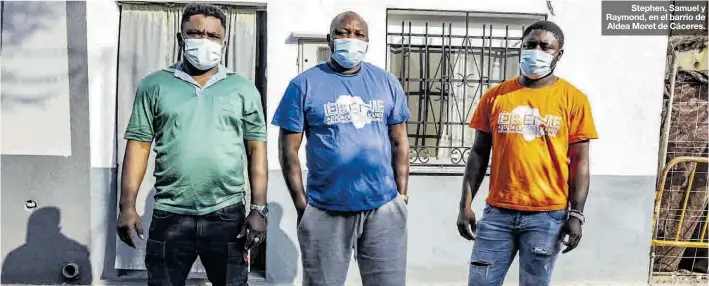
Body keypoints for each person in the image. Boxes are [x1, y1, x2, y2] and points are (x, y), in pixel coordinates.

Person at [116, 3, 269, 286]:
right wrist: (127, 205)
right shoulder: (155, 85)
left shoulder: (243, 89)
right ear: (180, 38)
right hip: (170, 214)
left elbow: (256, 149)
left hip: (227, 215)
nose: (204, 41)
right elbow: (138, 145)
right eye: (196, 33)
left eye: (213, 36)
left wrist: (259, 209)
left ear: (224, 42)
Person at [272, 11, 411, 286]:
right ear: (330, 39)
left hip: (383, 208)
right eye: (343, 32)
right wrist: (304, 207)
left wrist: (402, 197)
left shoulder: (387, 83)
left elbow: (399, 140)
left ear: (368, 41)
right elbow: (289, 150)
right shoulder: (303, 85)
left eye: (359, 34)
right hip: (326, 210)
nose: (351, 39)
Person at [456, 20, 598, 286]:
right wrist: (464, 205)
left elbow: (580, 162)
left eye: (546, 46)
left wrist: (576, 214)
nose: (537, 51)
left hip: (547, 216)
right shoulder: (495, 96)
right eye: (530, 44)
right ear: (521, 47)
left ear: (559, 54)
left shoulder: (573, 99)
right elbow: (477, 154)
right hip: (497, 213)